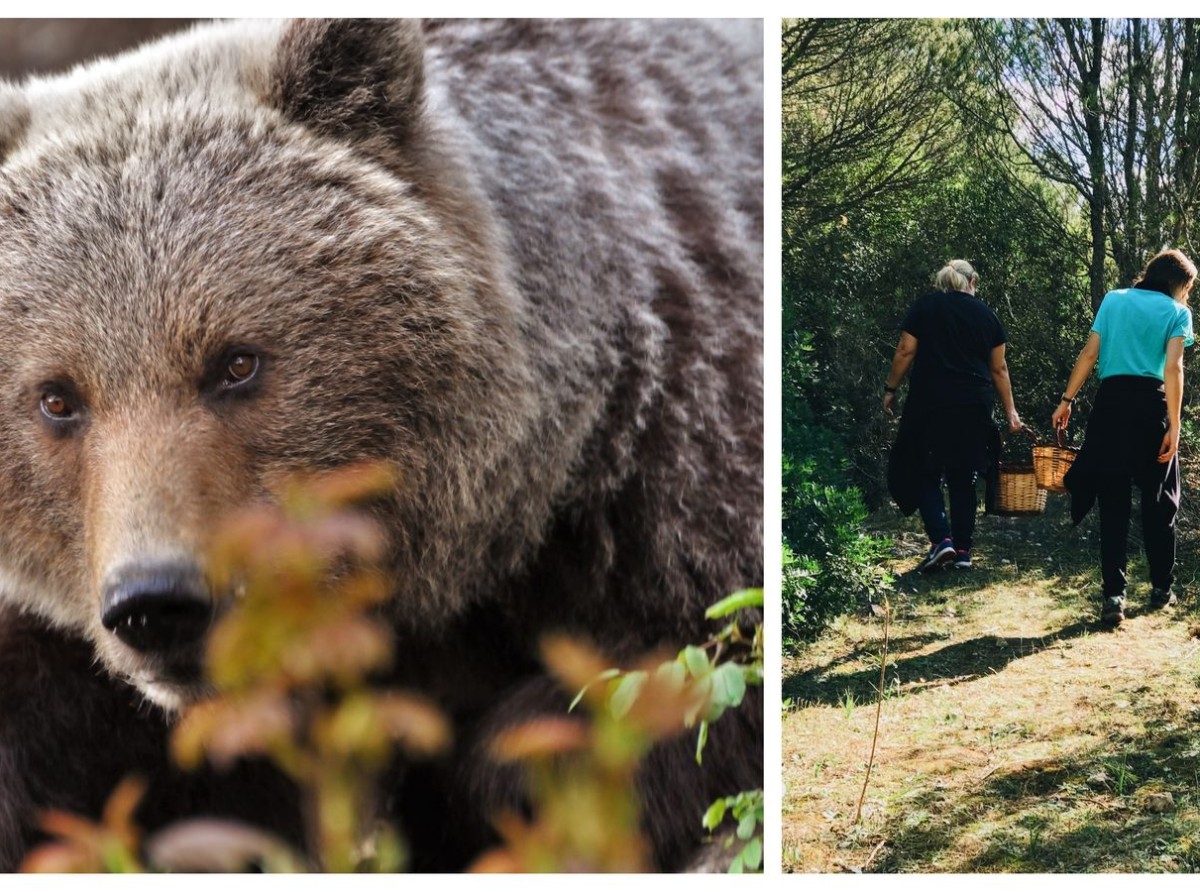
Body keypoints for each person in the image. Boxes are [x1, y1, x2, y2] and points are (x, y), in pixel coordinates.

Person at [1054, 249, 1195, 627]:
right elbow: (1173, 368)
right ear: (1177, 283)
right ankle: (1161, 589)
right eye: (1188, 287)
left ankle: (1114, 597)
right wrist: (1174, 425)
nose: (1187, 294)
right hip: (1153, 408)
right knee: (1160, 501)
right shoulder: (1177, 312)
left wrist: (1066, 401)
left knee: (1113, 502)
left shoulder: (1114, 300)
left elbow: (1089, 353)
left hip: (1111, 408)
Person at [885, 260, 1022, 572]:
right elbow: (999, 368)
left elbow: (905, 350)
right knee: (963, 475)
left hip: (930, 400)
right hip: (974, 403)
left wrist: (890, 388)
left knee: (923, 469)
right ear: (972, 281)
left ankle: (941, 539)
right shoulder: (987, 315)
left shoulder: (926, 307)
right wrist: (1011, 412)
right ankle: (962, 551)